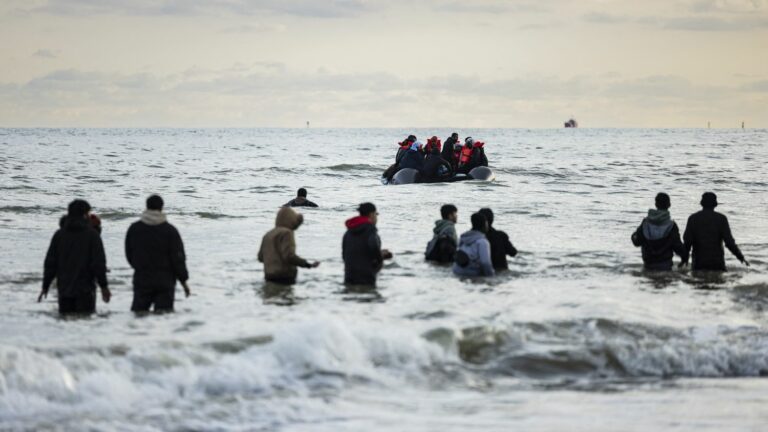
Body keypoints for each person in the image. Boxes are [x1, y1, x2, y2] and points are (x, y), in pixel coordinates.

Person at [39, 199, 111, 315]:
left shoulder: (59, 235)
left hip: (64, 289)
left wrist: (45, 286)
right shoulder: (92, 235)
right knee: (84, 323)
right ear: (85, 214)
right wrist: (104, 287)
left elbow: (50, 263)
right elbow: (98, 263)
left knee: (65, 322)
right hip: (86, 290)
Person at [125, 195, 190, 313]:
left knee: (139, 315)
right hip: (165, 280)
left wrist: (139, 267)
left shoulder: (135, 229)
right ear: (162, 208)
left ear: (146, 206)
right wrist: (183, 281)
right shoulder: (170, 230)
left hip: (142, 278)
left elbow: (129, 254)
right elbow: (178, 258)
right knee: (163, 317)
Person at [681, 192, 749, 271]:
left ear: (701, 203)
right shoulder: (721, 219)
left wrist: (684, 258)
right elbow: (729, 242)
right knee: (717, 281)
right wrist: (740, 257)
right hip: (717, 262)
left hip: (699, 262)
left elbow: (687, 241)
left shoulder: (693, 218)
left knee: (698, 281)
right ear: (715, 204)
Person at [258, 206, 319, 284]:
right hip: (285, 277)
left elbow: (260, 257)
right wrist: (307, 264)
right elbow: (289, 256)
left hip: (269, 277)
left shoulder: (268, 234)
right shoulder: (287, 233)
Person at [630, 193, 688, 271]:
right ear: (669, 205)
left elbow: (637, 242)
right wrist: (685, 257)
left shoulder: (645, 223)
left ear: (656, 204)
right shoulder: (671, 225)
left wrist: (633, 235)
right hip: (665, 266)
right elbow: (677, 246)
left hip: (648, 265)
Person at [342, 202, 393, 286]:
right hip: (365, 279)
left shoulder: (348, 232)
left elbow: (344, 256)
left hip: (349, 278)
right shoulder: (370, 230)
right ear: (371, 214)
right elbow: (373, 247)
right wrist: (381, 258)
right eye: (376, 214)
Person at [452, 212, 495, 277]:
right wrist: (491, 276)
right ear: (484, 224)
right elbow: (485, 263)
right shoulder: (483, 242)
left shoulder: (463, 237)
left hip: (457, 270)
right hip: (471, 273)